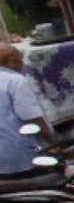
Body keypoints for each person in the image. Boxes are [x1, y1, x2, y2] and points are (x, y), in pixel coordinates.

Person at [0, 43, 54, 176]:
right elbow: (32, 117)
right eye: (19, 61)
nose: (22, 65)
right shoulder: (15, 81)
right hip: (19, 157)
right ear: (12, 62)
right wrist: (55, 143)